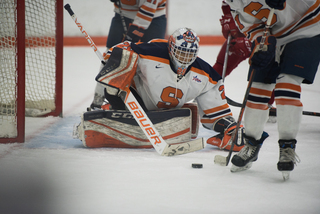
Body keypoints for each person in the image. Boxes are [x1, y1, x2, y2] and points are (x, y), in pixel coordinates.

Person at [78, 27, 246, 151]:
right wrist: (116, 57)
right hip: (137, 101)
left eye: (189, 53)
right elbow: (123, 48)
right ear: (171, 48)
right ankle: (105, 106)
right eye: (180, 52)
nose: (184, 58)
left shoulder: (205, 74)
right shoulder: (151, 52)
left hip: (167, 111)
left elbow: (217, 111)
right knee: (118, 69)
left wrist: (229, 128)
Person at [225, 0, 320, 178]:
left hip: (309, 28)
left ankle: (287, 146)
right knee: (257, 89)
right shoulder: (232, 1)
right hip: (275, 33)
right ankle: (251, 144)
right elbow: (250, 25)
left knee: (287, 84)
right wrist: (263, 41)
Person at [90, 0, 167, 109]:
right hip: (122, 15)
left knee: (154, 59)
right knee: (111, 56)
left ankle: (152, 101)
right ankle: (98, 101)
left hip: (154, 17)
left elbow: (149, 7)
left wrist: (134, 33)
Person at [213, 1, 276, 110]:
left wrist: (248, 41)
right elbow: (226, 5)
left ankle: (266, 104)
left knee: (266, 66)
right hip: (239, 36)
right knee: (221, 64)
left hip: (264, 36)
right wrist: (230, 22)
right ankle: (203, 95)